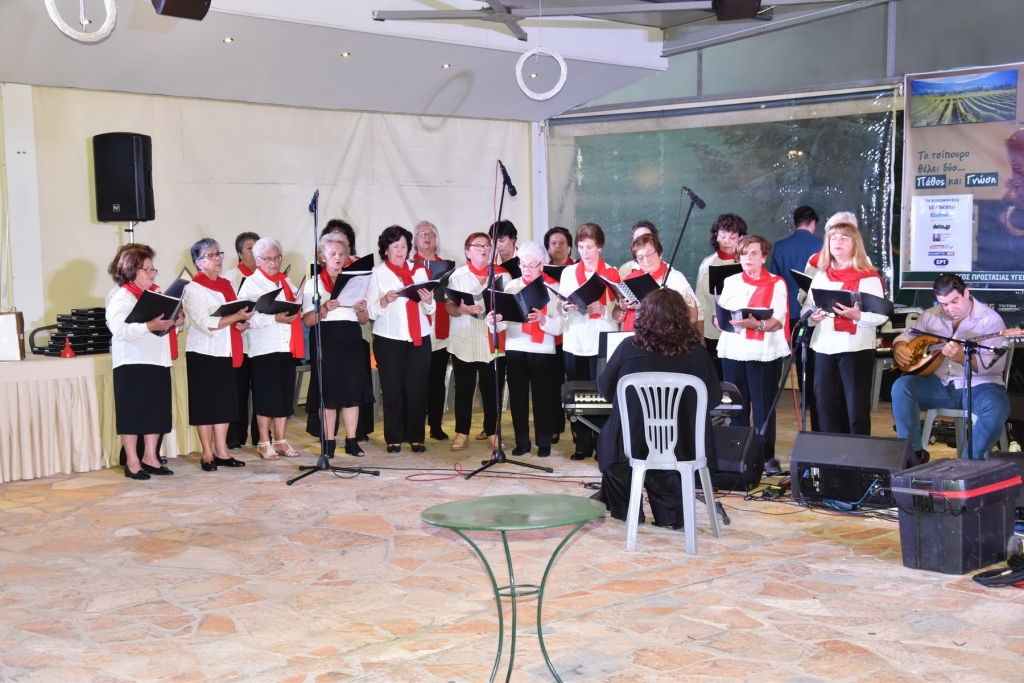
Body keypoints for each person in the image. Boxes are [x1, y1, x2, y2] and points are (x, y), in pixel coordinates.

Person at [596, 289, 721, 528]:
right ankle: (671, 515)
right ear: (682, 316)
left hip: (634, 442)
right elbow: (713, 399)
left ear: (645, 315)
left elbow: (606, 388)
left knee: (612, 440)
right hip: (685, 445)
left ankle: (628, 512)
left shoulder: (628, 346)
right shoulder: (697, 351)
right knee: (662, 451)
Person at [891, 275, 1012, 462]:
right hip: (940, 384)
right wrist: (899, 347)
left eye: (954, 301)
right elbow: (906, 336)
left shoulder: (990, 320)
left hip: (979, 385)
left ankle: (969, 464)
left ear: (966, 293)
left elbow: (994, 368)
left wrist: (963, 359)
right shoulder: (931, 315)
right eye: (944, 304)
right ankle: (913, 455)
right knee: (902, 387)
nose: (949, 309)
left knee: (997, 408)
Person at [801, 215, 888, 436]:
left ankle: (858, 453)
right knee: (825, 406)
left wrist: (858, 316)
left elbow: (881, 315)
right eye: (833, 238)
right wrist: (813, 316)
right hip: (824, 346)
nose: (837, 242)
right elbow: (807, 309)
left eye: (844, 238)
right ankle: (830, 451)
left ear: (855, 244)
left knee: (855, 409)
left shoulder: (868, 277)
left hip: (855, 347)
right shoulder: (821, 275)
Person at [105, 244, 181, 479]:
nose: (151, 274)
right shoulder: (121, 297)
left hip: (157, 360)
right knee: (132, 414)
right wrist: (149, 325)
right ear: (130, 271)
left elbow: (161, 330)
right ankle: (132, 461)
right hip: (131, 363)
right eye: (146, 270)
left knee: (155, 412)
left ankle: (151, 457)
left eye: (152, 269)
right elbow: (119, 330)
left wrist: (173, 323)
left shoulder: (156, 295)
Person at [715, 235, 789, 464]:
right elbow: (720, 313)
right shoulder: (731, 281)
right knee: (736, 407)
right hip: (733, 350)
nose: (748, 257)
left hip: (763, 353)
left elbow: (777, 320)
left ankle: (765, 458)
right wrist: (719, 321)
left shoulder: (776, 283)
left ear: (764, 257)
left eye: (754, 253)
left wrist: (757, 324)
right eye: (744, 253)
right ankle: (740, 457)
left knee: (763, 407)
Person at [182, 238, 255, 471]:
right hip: (203, 353)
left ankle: (222, 451)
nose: (217, 259)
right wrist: (235, 317)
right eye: (211, 256)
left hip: (226, 350)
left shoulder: (226, 285)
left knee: (224, 404)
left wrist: (241, 324)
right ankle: (207, 453)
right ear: (198, 262)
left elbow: (232, 317)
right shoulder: (193, 289)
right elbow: (205, 322)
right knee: (206, 406)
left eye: (218, 254)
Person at [487, 241, 563, 457]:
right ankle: (522, 442)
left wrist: (543, 319)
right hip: (516, 347)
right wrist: (493, 321)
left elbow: (560, 326)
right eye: (522, 264)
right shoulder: (511, 286)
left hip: (543, 349)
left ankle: (544, 442)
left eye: (531, 265)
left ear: (542, 265)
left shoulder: (553, 288)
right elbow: (502, 323)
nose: (526, 269)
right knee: (518, 397)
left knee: (543, 398)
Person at [302, 232, 373, 458]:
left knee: (352, 392)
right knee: (328, 394)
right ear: (322, 256)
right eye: (332, 253)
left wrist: (362, 308)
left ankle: (351, 441)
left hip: (351, 338)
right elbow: (308, 320)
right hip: (327, 340)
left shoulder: (355, 281)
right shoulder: (314, 283)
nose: (338, 258)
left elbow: (363, 320)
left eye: (342, 254)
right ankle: (329, 442)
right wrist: (324, 308)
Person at [367, 225, 435, 453]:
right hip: (388, 339)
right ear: (386, 249)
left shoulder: (420, 271)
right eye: (395, 246)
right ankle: (393, 437)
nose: (400, 251)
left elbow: (431, 310)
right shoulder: (377, 273)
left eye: (404, 246)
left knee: (417, 389)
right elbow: (370, 312)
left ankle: (416, 436)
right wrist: (384, 300)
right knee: (392, 389)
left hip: (419, 337)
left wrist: (428, 300)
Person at [560, 223, 625, 460]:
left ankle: (602, 443)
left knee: (601, 394)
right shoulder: (569, 273)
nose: (585, 252)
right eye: (581, 247)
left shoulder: (611, 273)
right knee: (577, 393)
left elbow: (619, 312)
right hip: (574, 339)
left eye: (589, 247)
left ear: (600, 247)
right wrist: (565, 306)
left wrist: (603, 308)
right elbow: (559, 307)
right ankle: (582, 443)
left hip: (600, 340)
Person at [239, 237, 304, 460]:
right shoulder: (251, 284)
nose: (274, 263)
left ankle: (280, 440)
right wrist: (274, 318)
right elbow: (246, 318)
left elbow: (296, 305)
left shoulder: (285, 281)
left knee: (284, 394)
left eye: (277, 258)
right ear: (257, 260)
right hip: (264, 347)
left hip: (286, 345)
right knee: (266, 396)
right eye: (268, 259)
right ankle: (263, 442)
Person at [445, 232, 507, 452]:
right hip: (464, 340)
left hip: (492, 340)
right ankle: (462, 432)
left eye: (486, 246)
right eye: (477, 246)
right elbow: (449, 306)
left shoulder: (501, 275)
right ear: (467, 251)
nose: (483, 249)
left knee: (492, 389)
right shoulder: (458, 276)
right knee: (464, 389)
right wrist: (461, 309)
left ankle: (492, 432)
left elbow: (509, 306)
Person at [769, 206, 823, 431]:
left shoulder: (780, 246)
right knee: (815, 357)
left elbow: (774, 279)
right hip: (815, 313)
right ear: (814, 223)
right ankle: (814, 398)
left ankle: (797, 397)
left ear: (794, 223)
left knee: (795, 356)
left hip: (787, 312)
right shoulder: (823, 245)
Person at [696, 214, 748, 378]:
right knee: (716, 379)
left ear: (741, 238)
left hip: (742, 333)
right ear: (716, 236)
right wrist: (700, 335)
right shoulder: (707, 263)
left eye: (733, 237)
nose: (727, 241)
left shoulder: (748, 263)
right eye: (723, 236)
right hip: (712, 334)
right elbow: (699, 302)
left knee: (738, 381)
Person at [412, 220, 451, 441]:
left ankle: (436, 425)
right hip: (415, 329)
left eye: (431, 234)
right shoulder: (407, 265)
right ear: (415, 240)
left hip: (439, 329)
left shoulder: (446, 267)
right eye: (422, 234)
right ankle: (415, 427)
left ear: (436, 240)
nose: (427, 238)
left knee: (437, 381)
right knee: (416, 382)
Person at [223, 231, 261, 450]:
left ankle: (261, 435)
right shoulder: (230, 277)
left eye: (257, 249)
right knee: (238, 390)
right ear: (239, 253)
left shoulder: (267, 276)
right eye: (249, 249)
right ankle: (235, 436)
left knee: (261, 391)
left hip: (261, 342)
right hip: (240, 341)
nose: (254, 253)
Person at [618, 233, 699, 330]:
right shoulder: (631, 280)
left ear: (660, 254)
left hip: (666, 335)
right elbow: (616, 319)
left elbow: (693, 317)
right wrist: (622, 307)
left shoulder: (675, 278)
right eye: (640, 257)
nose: (645, 260)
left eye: (649, 254)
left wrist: (660, 310)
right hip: (636, 335)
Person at [542, 226, 573, 443]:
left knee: (574, 383)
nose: (558, 247)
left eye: (562, 243)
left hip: (574, 334)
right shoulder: (542, 273)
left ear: (570, 247)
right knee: (552, 384)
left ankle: (579, 429)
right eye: (553, 243)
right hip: (551, 336)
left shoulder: (579, 269)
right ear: (548, 248)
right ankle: (554, 425)